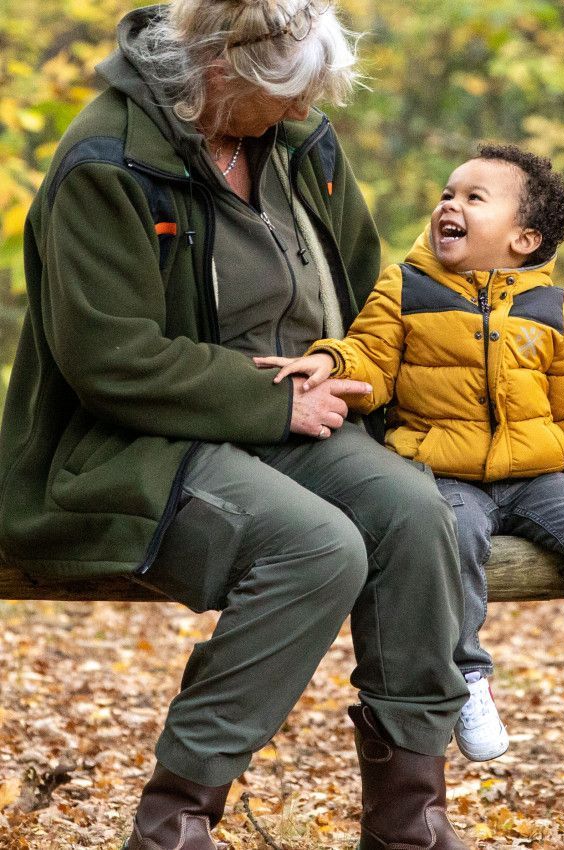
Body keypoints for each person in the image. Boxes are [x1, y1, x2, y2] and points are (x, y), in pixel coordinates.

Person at [0, 2, 472, 848]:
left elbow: (370, 293)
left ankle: (411, 818)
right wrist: (271, 402)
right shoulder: (106, 161)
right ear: (221, 72)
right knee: (317, 548)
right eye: (288, 93)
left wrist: (351, 366)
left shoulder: (300, 142)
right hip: (135, 440)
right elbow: (111, 358)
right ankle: (176, 819)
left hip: (303, 420)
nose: (303, 110)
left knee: (415, 514)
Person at [257, 144, 564, 766]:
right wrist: (332, 363)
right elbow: (371, 356)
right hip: (445, 470)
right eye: (447, 193)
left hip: (538, 475)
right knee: (453, 536)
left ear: (524, 238)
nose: (450, 204)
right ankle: (469, 677)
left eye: (473, 198)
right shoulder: (405, 287)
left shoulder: (552, 309)